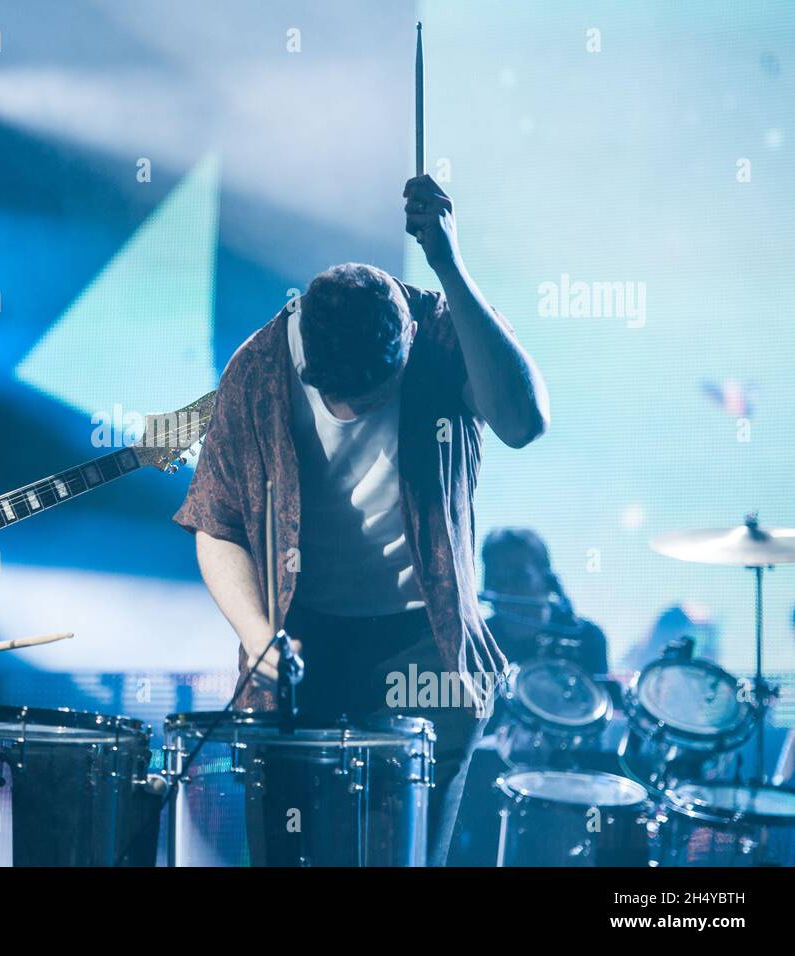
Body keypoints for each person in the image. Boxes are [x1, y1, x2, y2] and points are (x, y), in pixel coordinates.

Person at [174, 174, 550, 866]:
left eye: (371, 396)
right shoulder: (257, 372)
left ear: (405, 341)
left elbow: (523, 423)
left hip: (422, 635)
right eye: (333, 395)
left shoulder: (443, 333)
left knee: (401, 853)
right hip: (299, 634)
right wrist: (259, 637)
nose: (349, 412)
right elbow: (216, 525)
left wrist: (449, 265)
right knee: (289, 847)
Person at [481, 527, 609, 676]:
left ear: (547, 581)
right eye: (497, 579)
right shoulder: (476, 642)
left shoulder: (587, 637)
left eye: (518, 577)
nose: (506, 588)